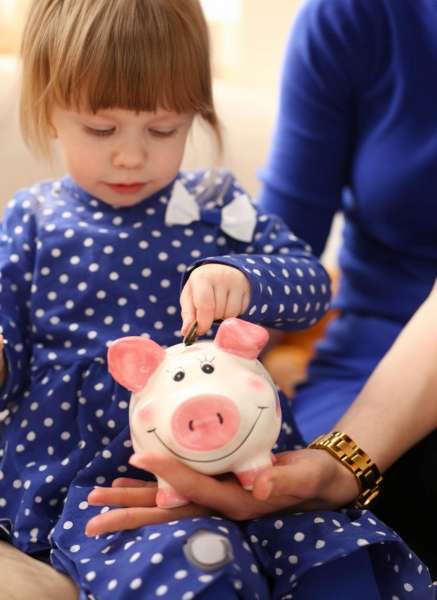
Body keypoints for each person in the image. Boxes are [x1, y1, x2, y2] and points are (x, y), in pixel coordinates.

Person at [0, 0, 338, 598]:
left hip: (240, 456)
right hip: (94, 480)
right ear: (50, 112)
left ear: (196, 117)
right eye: (100, 129)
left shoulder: (217, 206)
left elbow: (310, 285)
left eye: (163, 129)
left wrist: (247, 277)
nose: (131, 156)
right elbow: (10, 357)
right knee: (197, 566)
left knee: (337, 558)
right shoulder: (31, 222)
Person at [256, 0, 437, 574]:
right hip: (366, 365)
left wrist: (345, 463)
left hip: (375, 426)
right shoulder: (354, 16)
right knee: (304, 537)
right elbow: (279, 254)